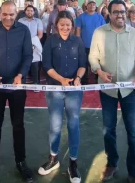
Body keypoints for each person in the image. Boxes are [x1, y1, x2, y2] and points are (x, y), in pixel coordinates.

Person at [88, 0, 135, 183]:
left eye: (122, 11)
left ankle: (133, 171)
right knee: (109, 131)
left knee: (134, 133)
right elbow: (93, 57)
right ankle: (112, 163)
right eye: (116, 12)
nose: (120, 15)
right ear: (109, 13)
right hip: (108, 91)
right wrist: (99, 71)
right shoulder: (99, 33)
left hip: (130, 90)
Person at [0, 1, 34, 183]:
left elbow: (28, 56)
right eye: (5, 14)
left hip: (17, 85)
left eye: (11, 14)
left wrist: (21, 75)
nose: (8, 18)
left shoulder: (24, 31)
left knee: (18, 124)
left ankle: (21, 161)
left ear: (16, 13)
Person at [38, 11, 86, 183]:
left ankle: (73, 163)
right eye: (62, 24)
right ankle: (53, 158)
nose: (65, 28)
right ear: (56, 25)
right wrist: (61, 80)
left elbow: (82, 64)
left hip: (74, 91)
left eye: (68, 25)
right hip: (54, 89)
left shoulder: (78, 41)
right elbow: (47, 65)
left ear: (72, 26)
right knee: (55, 125)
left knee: (73, 124)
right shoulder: (50, 41)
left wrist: (78, 78)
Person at [75, 0, 106, 85]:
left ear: (95, 6)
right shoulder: (81, 17)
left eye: (93, 4)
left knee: (98, 63)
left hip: (97, 46)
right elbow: (78, 30)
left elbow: (104, 31)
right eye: (90, 4)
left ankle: (98, 80)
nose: (92, 5)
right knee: (83, 63)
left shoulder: (100, 17)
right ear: (86, 6)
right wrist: (78, 43)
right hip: (84, 45)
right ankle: (84, 81)